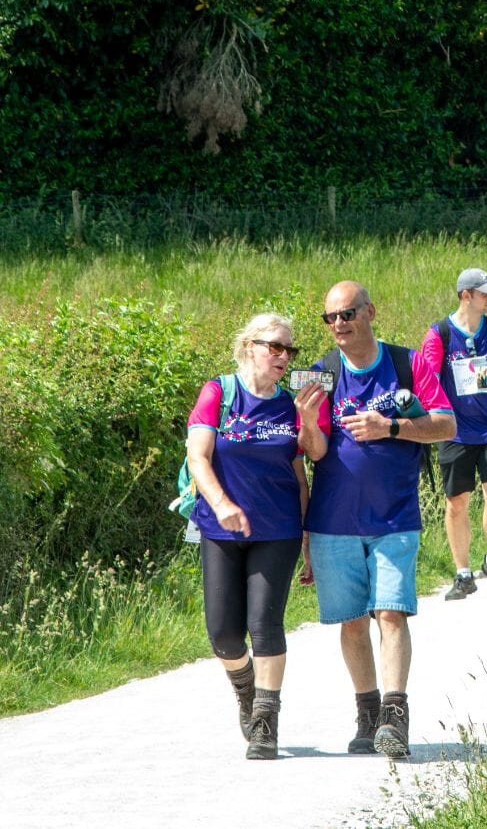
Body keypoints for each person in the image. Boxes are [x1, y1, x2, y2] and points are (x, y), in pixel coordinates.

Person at [301, 281, 455, 760]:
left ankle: (395, 716)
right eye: (330, 318)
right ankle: (367, 714)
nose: (339, 324)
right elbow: (314, 451)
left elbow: (446, 425)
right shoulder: (320, 373)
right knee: (350, 622)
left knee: (390, 612)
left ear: (370, 311)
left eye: (347, 313)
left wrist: (389, 427)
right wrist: (307, 425)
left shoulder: (409, 363)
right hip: (333, 519)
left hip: (394, 516)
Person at [183, 313, 321, 760]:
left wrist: (306, 541)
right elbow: (198, 457)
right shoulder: (219, 393)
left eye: (290, 350)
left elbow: (302, 472)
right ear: (249, 347)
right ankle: (245, 688)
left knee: (265, 624)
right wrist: (222, 504)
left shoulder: (289, 404)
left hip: (276, 528)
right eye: (275, 347)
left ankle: (265, 722)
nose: (284, 357)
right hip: (220, 529)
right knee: (223, 634)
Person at [419, 268, 487, 601]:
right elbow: (428, 384)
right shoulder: (439, 334)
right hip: (455, 430)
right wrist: (431, 424)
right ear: (466, 295)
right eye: (485, 293)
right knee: (456, 503)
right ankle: (463, 574)